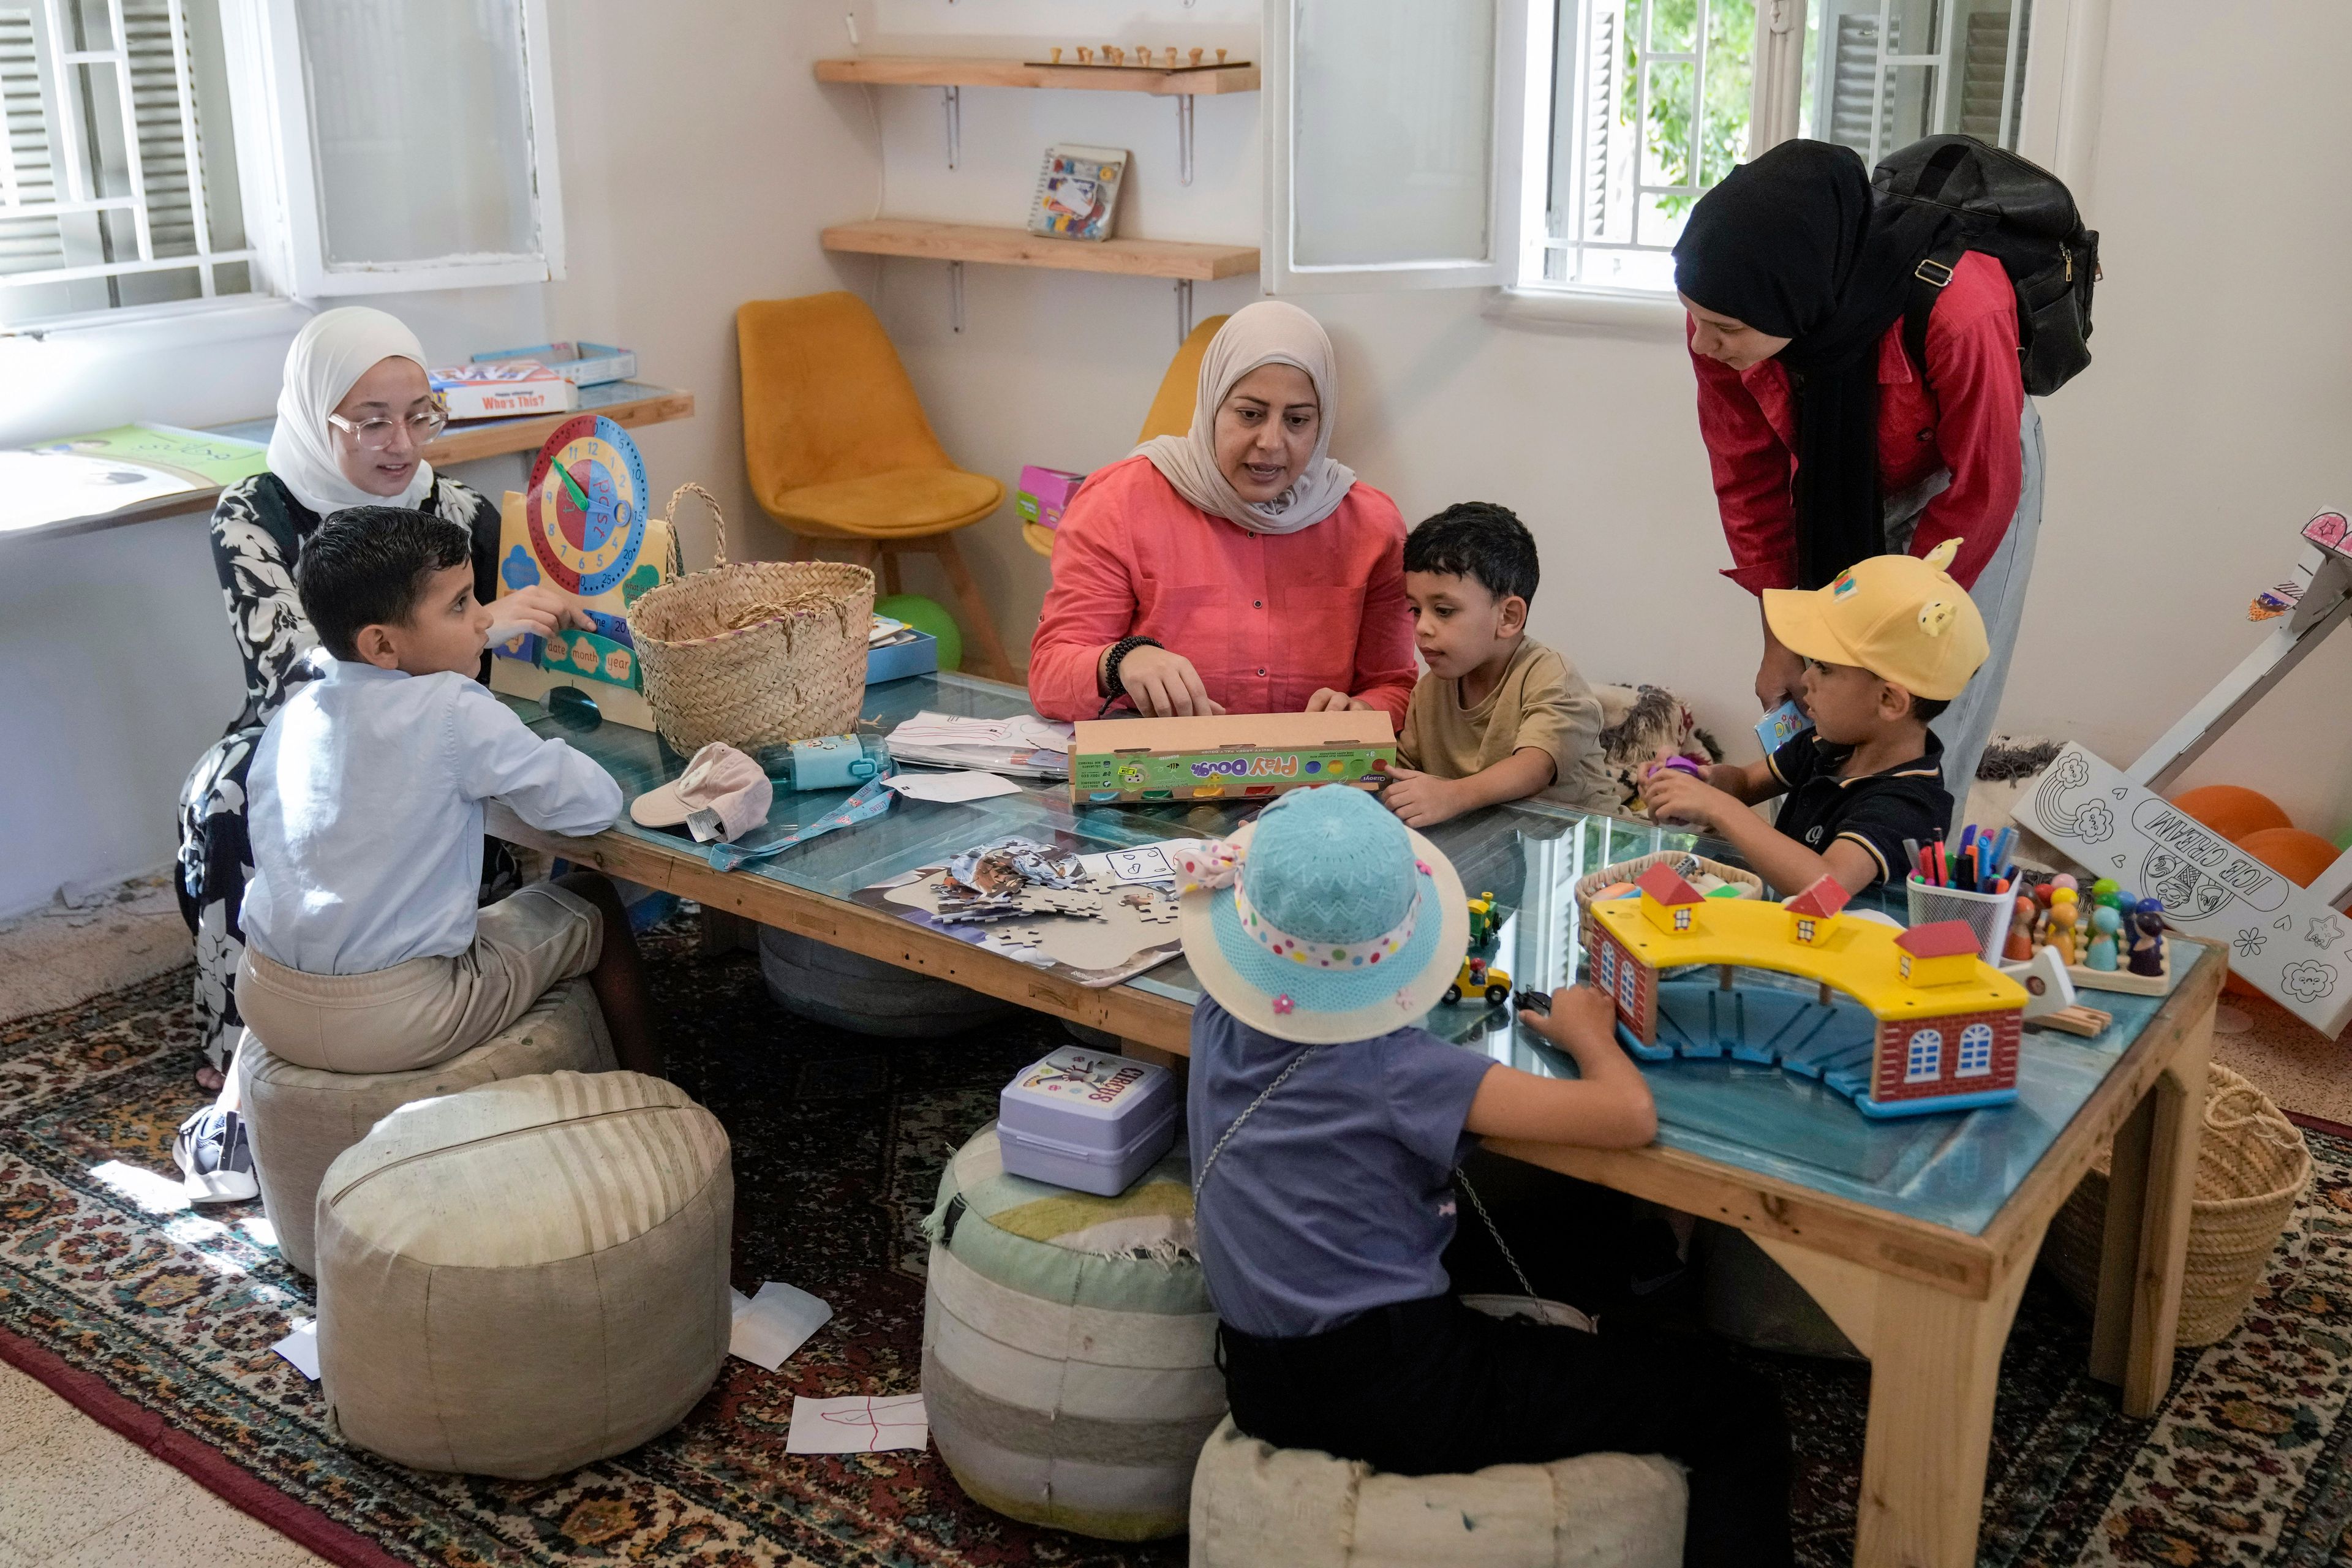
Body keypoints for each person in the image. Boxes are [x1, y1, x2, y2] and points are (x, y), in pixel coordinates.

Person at [1172, 786, 1793, 1568]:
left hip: (1260, 1376)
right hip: (1404, 1395)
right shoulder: (1401, 1069)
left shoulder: (1216, 1016)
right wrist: (1587, 1033)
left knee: (1576, 1234)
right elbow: (1626, 1116)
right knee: (1735, 1408)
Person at [175, 307, 589, 1087]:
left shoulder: (457, 507)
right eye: (371, 423)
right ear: (313, 415)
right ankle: (246, 1053)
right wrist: (484, 626)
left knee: (508, 756)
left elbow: (514, 638)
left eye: (418, 416)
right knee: (229, 796)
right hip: (306, 727)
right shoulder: (253, 515)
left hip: (445, 716)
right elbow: (293, 672)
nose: (401, 445)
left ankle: (445, 973)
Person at [1673, 138, 2042, 831]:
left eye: (1723, 329)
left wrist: (1881, 636)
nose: (1702, 344)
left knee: (1922, 706)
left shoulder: (1962, 307)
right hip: (1834, 477)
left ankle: (1896, 879)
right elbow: (1749, 481)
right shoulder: (1728, 305)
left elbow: (1984, 490)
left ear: (1800, 300)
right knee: (1820, 694)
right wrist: (1783, 635)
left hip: (1960, 484)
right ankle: (1797, 863)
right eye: (1693, 317)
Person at [232, 508, 657, 1080]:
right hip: (394, 1016)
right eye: (460, 605)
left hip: (265, 996)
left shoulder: (296, 712)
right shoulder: (455, 708)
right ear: (382, 645)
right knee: (594, 900)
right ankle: (646, 1090)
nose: (484, 620)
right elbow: (593, 806)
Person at [1028, 301, 1415, 725]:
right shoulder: (1119, 503)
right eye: (1250, 414)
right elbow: (1050, 678)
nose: (1271, 442)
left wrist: (1361, 711)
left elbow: (1396, 686)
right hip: (1164, 783)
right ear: (1212, 404)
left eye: (1298, 421)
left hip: (1316, 783)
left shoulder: (1371, 526)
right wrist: (1120, 661)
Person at [1642, 541, 1988, 895]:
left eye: (1823, 667)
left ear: (1888, 700)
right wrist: (1696, 782)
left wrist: (1717, 808)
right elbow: (1746, 783)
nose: (1806, 679)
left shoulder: (1910, 804)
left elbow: (1827, 885)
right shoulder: (1830, 745)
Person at [1378, 501, 1618, 827]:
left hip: (1591, 849)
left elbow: (1535, 767)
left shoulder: (1550, 675)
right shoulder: (1428, 691)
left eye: (1444, 610)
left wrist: (1451, 796)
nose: (1422, 628)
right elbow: (1398, 772)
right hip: (1490, 846)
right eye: (1415, 610)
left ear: (1508, 617)